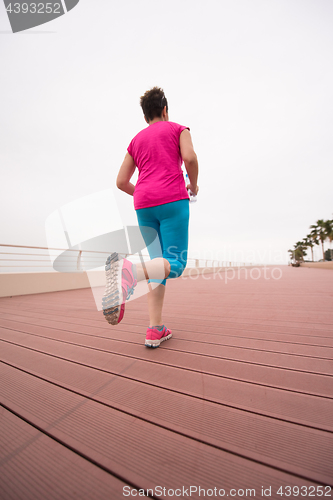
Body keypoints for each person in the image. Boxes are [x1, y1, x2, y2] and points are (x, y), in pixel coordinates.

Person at [102, 87, 199, 348]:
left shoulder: (136, 140)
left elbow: (122, 181)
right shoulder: (179, 129)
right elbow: (189, 157)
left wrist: (142, 194)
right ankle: (129, 271)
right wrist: (195, 185)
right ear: (165, 110)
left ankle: (155, 329)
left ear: (145, 117)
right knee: (175, 264)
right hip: (172, 200)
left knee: (159, 264)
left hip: (143, 205)